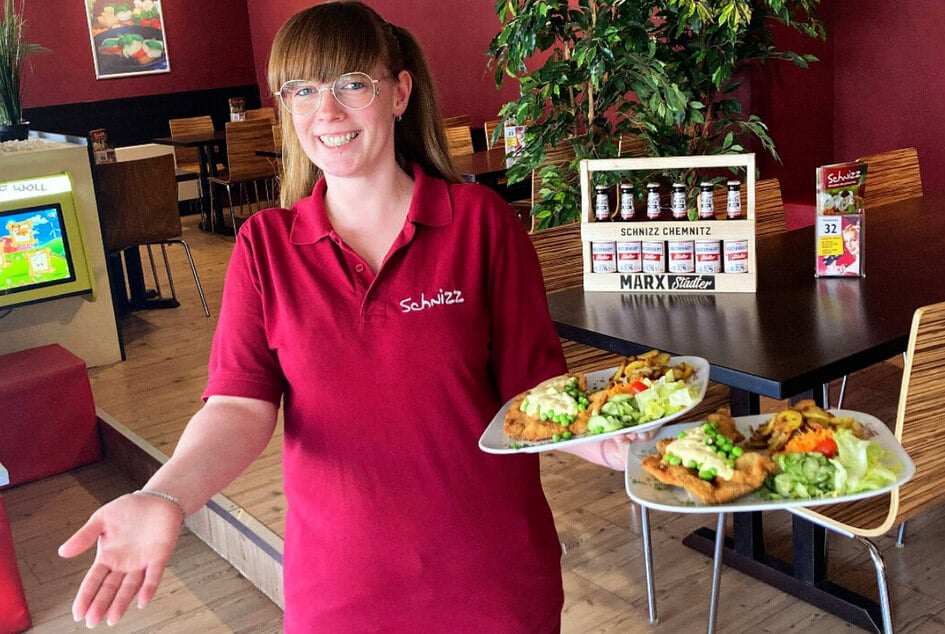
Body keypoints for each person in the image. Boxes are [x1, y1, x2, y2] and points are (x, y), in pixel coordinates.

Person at [58, 2, 635, 631]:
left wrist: (609, 441)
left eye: (351, 84)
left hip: (492, 572)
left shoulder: (480, 223)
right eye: (302, 90)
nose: (326, 111)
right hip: (340, 587)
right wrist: (164, 494)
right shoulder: (265, 246)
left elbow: (535, 390)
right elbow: (237, 406)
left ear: (399, 92)